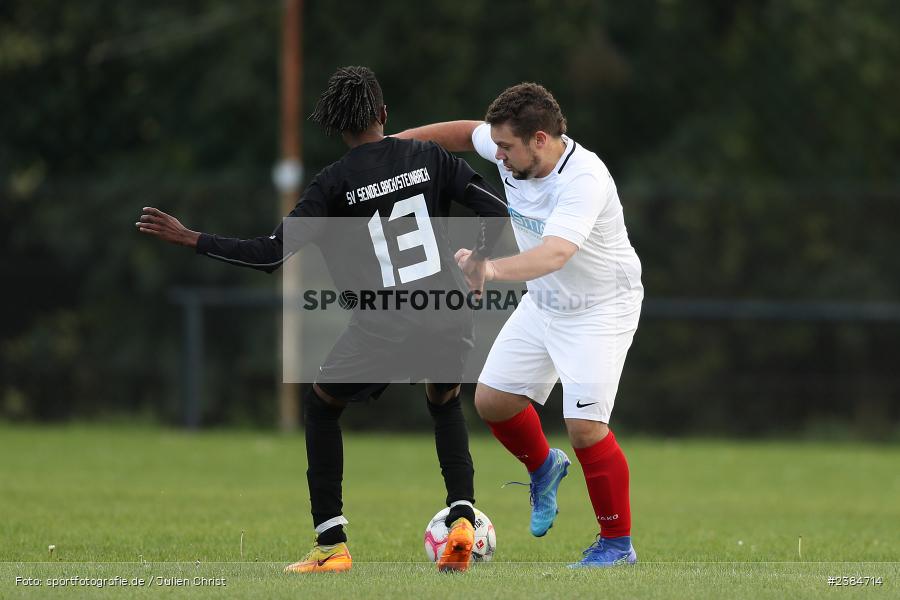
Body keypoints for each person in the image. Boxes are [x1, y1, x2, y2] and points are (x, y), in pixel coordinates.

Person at [136, 66, 508, 573]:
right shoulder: (431, 157)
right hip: (446, 312)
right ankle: (462, 518)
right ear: (383, 114)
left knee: (321, 406)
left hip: (384, 324)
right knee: (443, 401)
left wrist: (192, 237)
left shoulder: (333, 184)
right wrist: (480, 263)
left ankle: (331, 544)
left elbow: (270, 253)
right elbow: (493, 208)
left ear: (338, 126)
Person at [395, 82, 644, 568]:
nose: (499, 157)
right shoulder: (512, 147)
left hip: (600, 309)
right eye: (499, 146)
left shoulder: (584, 179)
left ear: (540, 140)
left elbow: (556, 253)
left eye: (507, 148)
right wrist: (392, 148)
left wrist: (488, 269)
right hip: (545, 301)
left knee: (586, 427)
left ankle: (617, 545)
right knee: (493, 401)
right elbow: (466, 134)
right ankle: (544, 467)